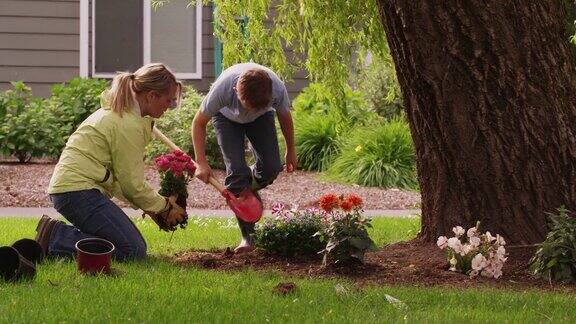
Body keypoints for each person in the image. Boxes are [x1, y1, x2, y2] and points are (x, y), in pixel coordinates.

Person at [36, 63, 187, 261]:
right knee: (131, 251)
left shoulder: (123, 116)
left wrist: (151, 208)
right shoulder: (127, 124)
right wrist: (164, 207)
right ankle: (56, 239)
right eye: (169, 100)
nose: (170, 106)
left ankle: (56, 238)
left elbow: (121, 181)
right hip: (77, 192)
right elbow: (132, 185)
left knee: (127, 247)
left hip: (74, 191)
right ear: (151, 96)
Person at [191, 62, 297, 253]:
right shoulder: (222, 89)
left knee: (272, 167)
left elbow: (285, 117)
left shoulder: (276, 89)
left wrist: (291, 150)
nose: (248, 111)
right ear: (235, 90)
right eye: (246, 106)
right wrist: (201, 162)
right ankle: (248, 238)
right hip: (226, 120)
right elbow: (198, 123)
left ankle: (247, 186)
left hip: (262, 118)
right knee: (237, 176)